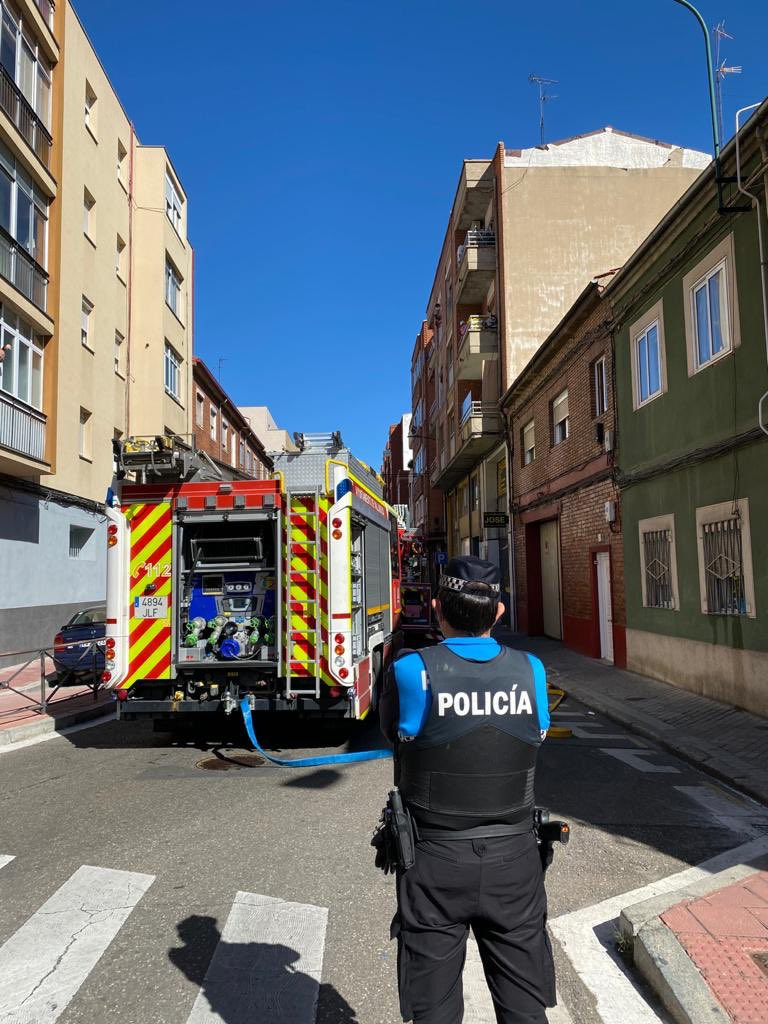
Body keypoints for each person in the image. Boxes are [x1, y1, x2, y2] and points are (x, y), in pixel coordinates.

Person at [379, 555, 555, 1024]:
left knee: (433, 1009)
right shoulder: (532, 671)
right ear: (499, 613)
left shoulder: (410, 670)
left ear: (438, 609)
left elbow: (393, 735)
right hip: (515, 857)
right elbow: (537, 733)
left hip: (433, 859)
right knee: (524, 1004)